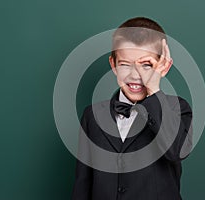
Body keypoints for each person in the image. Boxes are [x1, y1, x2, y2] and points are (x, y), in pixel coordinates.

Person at [72, 17, 193, 200]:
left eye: (146, 65)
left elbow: (177, 151)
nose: (135, 75)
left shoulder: (177, 108)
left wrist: (153, 91)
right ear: (113, 65)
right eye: (125, 64)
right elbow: (83, 182)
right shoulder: (92, 116)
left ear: (164, 67)